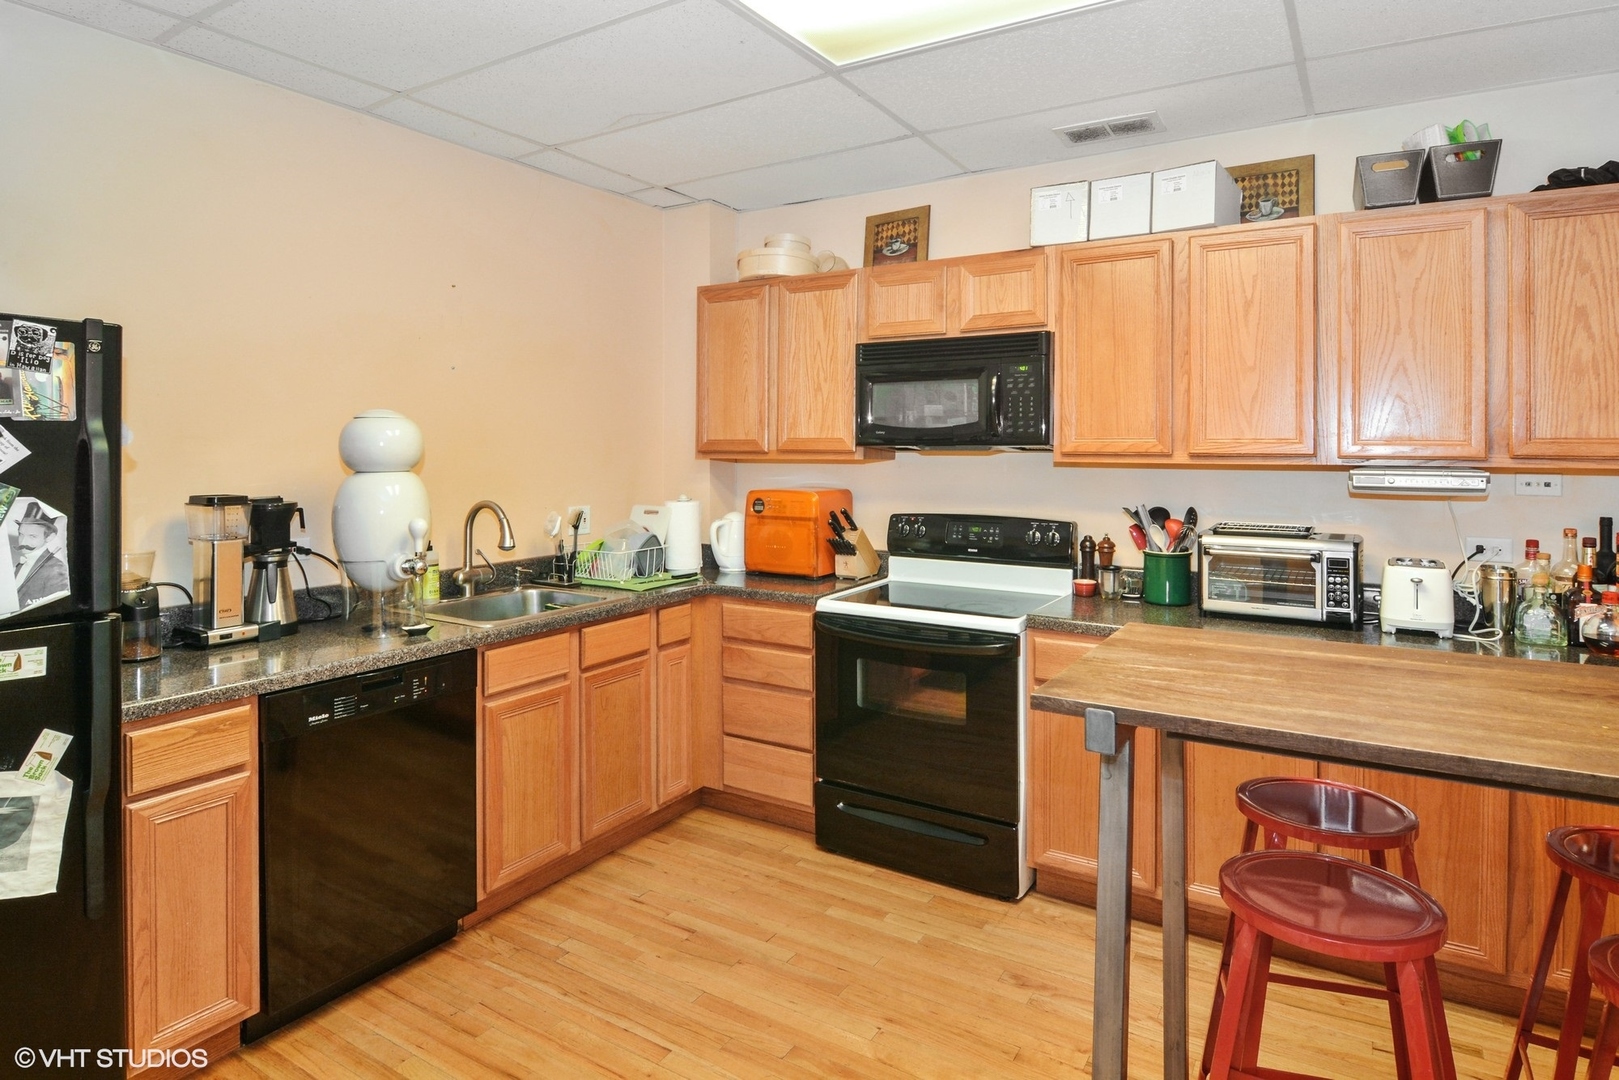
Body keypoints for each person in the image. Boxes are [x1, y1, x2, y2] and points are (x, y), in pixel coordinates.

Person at [12, 502, 68, 609]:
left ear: (49, 537)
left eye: (32, 536)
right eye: (21, 534)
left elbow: (55, 608)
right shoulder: (19, 562)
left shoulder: (56, 570)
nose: (23, 541)